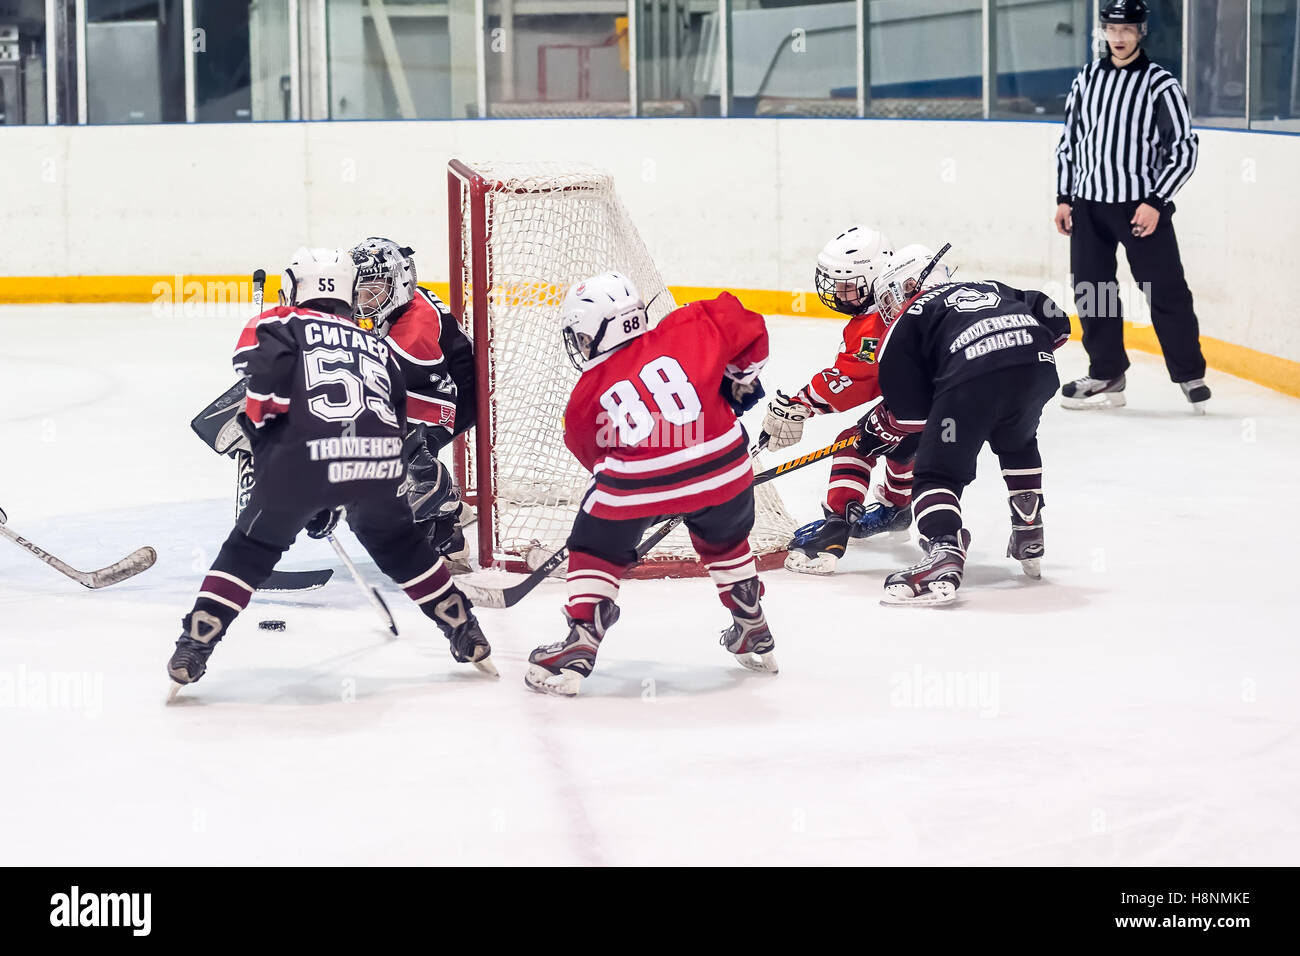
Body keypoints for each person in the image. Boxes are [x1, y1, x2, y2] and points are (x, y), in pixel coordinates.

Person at [167, 247, 497, 694]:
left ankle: (196, 642)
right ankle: (465, 630)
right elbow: (392, 418)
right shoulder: (377, 344)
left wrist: (289, 479)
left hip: (301, 460)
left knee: (250, 548)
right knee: (401, 547)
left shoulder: (276, 323)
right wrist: (341, 492)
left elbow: (260, 394)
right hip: (378, 462)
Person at [523, 273, 776, 696]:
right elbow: (750, 325)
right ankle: (751, 621)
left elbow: (594, 458)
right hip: (727, 465)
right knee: (726, 542)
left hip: (638, 483)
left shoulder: (587, 392)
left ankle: (583, 636)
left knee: (593, 546)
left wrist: (646, 498)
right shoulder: (691, 325)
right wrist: (739, 379)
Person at [865, 246, 1070, 605]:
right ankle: (1028, 527)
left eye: (889, 295)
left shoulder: (909, 316)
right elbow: (1056, 317)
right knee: (1017, 439)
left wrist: (882, 423)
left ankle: (943, 550)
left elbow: (912, 417)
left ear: (910, 283)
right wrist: (1014, 356)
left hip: (971, 381)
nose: (888, 306)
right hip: (1036, 367)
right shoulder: (991, 286)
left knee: (936, 473)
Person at [1054, 0, 1210, 413]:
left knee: (1166, 290)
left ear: (1141, 32)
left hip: (1140, 208)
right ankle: (1106, 372)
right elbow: (1070, 144)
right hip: (1088, 206)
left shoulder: (1161, 84)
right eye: (1111, 29)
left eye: (1127, 29)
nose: (1119, 37)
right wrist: (1064, 197)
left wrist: (1157, 201)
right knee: (1093, 291)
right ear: (1103, 31)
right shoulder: (1086, 79)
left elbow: (1183, 150)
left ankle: (1190, 374)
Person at [760, 226, 919, 574]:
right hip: (959, 397)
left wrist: (801, 404)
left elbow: (856, 380)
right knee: (899, 436)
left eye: (849, 285)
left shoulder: (879, 318)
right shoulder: (910, 291)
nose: (838, 293)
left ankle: (834, 531)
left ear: (876, 277)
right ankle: (897, 507)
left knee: (856, 441)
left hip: (931, 405)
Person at [350, 237, 477, 563]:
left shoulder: (416, 329)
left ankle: (446, 524)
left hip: (455, 396)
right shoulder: (399, 305)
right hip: (433, 384)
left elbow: (373, 375)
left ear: (400, 282)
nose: (363, 298)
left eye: (373, 287)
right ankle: (447, 510)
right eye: (359, 288)